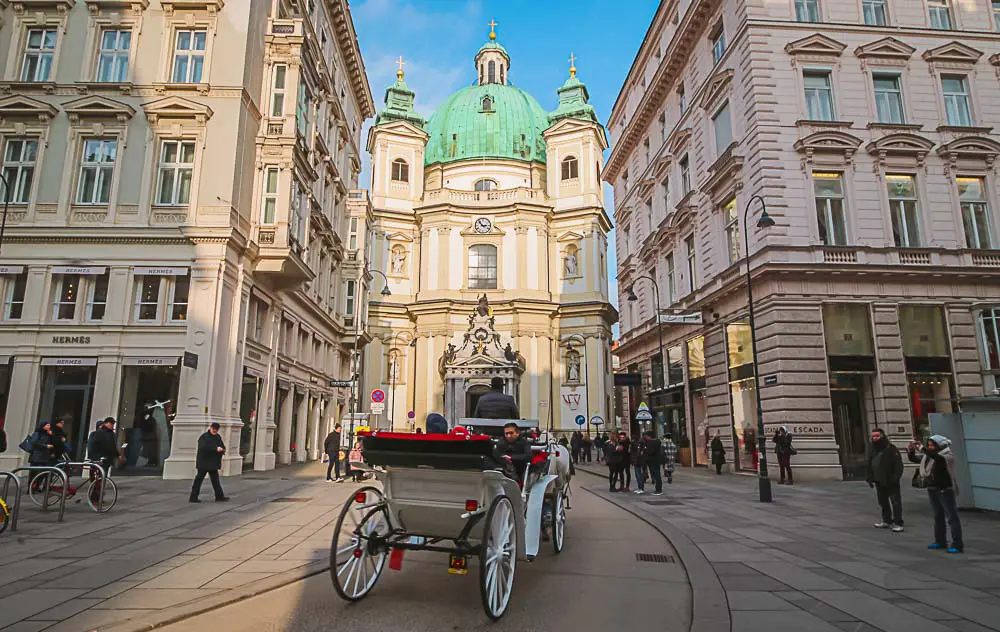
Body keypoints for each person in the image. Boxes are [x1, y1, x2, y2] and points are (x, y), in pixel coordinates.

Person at [908, 435, 963, 553]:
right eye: (928, 445)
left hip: (944, 489)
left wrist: (923, 448)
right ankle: (940, 541)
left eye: (932, 445)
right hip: (932, 488)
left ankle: (957, 544)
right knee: (938, 516)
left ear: (940, 446)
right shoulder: (929, 456)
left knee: (951, 517)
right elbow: (915, 459)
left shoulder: (946, 455)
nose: (930, 447)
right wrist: (911, 450)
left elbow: (938, 458)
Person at [866, 428, 904, 532]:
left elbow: (898, 465)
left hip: (890, 480)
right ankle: (887, 520)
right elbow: (870, 463)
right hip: (879, 480)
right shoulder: (873, 449)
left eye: (877, 436)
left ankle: (898, 522)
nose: (875, 438)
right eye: (873, 436)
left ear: (882, 436)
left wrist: (895, 477)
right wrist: (869, 477)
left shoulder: (891, 449)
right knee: (883, 501)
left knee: (895, 502)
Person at [190, 422, 229, 503]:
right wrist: (215, 449)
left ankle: (219, 496)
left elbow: (222, 445)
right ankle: (193, 497)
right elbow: (203, 447)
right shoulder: (204, 437)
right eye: (213, 429)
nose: (215, 431)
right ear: (210, 428)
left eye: (216, 429)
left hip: (212, 463)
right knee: (199, 480)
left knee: (215, 480)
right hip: (204, 462)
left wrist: (222, 449)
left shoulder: (217, 437)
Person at [27, 421, 56, 487]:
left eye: (49, 425)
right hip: (36, 456)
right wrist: (45, 446)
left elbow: (54, 442)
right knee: (34, 473)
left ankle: (37, 486)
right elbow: (34, 442)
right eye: (47, 425)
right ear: (43, 426)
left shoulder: (48, 434)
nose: (49, 427)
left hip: (45, 456)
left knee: (42, 473)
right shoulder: (37, 433)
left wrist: (52, 435)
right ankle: (31, 487)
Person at [642, 431, 663, 495]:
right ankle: (659, 489)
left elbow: (649, 452)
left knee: (656, 475)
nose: (646, 437)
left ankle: (658, 490)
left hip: (653, 461)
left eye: (646, 436)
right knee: (657, 474)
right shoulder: (658, 442)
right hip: (657, 460)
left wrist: (645, 450)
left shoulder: (651, 443)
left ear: (649, 436)